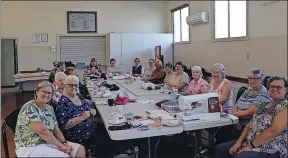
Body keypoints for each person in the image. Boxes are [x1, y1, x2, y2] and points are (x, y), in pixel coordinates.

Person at [213, 76, 287, 158]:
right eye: (272, 86)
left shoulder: (285, 107)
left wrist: (249, 147)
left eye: (279, 87)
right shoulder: (263, 105)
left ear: (286, 89)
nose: (275, 89)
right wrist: (239, 142)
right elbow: (249, 125)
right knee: (220, 149)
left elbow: (273, 132)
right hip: (250, 141)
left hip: (270, 147)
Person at [14, 81, 85, 157]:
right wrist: (61, 146)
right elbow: (42, 131)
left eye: (49, 93)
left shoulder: (49, 108)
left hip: (48, 143)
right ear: (37, 92)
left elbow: (56, 130)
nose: (46, 95)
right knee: (65, 156)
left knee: (79, 149)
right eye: (44, 91)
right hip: (30, 147)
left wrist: (64, 143)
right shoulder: (29, 107)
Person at [232, 69, 271, 133]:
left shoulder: (263, 93)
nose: (252, 81)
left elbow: (250, 112)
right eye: (250, 78)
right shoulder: (248, 90)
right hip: (236, 121)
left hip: (248, 126)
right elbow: (235, 105)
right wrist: (235, 118)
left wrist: (234, 115)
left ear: (261, 79)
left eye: (255, 78)